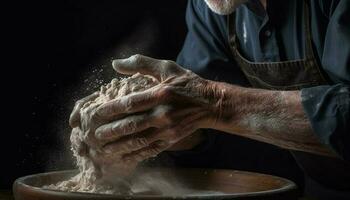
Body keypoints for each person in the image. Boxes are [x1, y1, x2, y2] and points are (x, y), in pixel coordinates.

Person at [69, 0, 350, 199]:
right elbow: (210, 129)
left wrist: (216, 103)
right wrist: (155, 127)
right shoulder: (212, 8)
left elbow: (210, 102)